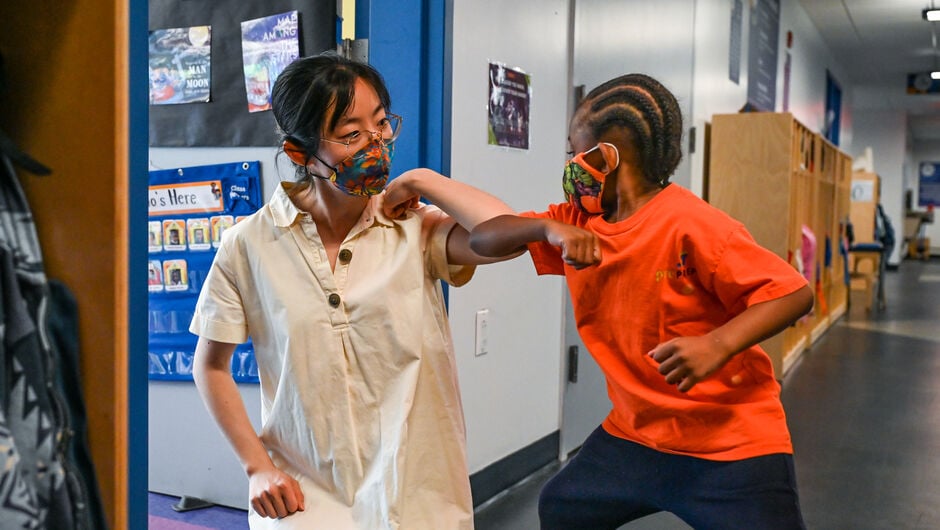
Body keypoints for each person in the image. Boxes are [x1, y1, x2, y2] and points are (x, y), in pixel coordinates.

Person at [467, 73, 814, 529]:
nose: (569, 164)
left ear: (606, 156)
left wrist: (716, 345)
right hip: (636, 436)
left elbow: (793, 292)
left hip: (730, 445)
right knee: (563, 505)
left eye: (574, 152)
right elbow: (483, 239)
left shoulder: (694, 224)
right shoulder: (575, 222)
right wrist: (544, 228)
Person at [189, 52, 516, 529]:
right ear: (299, 153)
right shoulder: (249, 244)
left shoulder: (415, 228)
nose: (375, 144)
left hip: (418, 499)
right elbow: (210, 365)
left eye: (381, 125)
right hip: (305, 504)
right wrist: (257, 467)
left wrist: (425, 180)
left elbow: (509, 238)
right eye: (351, 134)